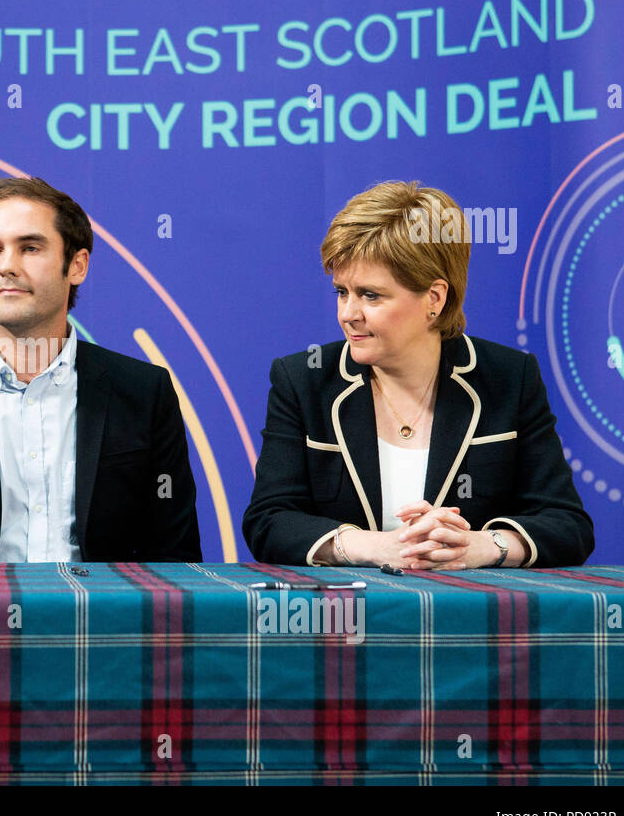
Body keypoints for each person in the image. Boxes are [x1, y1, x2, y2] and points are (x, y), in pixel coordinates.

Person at [242, 181, 593, 569]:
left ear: (434, 298)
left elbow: (567, 525)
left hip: (467, 620)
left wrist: (480, 546)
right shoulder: (303, 380)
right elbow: (269, 521)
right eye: (342, 292)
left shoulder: (509, 378)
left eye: (371, 295)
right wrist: (373, 546)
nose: (348, 313)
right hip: (345, 618)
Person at [0, 177, 201, 562]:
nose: (7, 266)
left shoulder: (145, 392)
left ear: (76, 265)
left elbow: (175, 561)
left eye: (29, 248)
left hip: (102, 619)